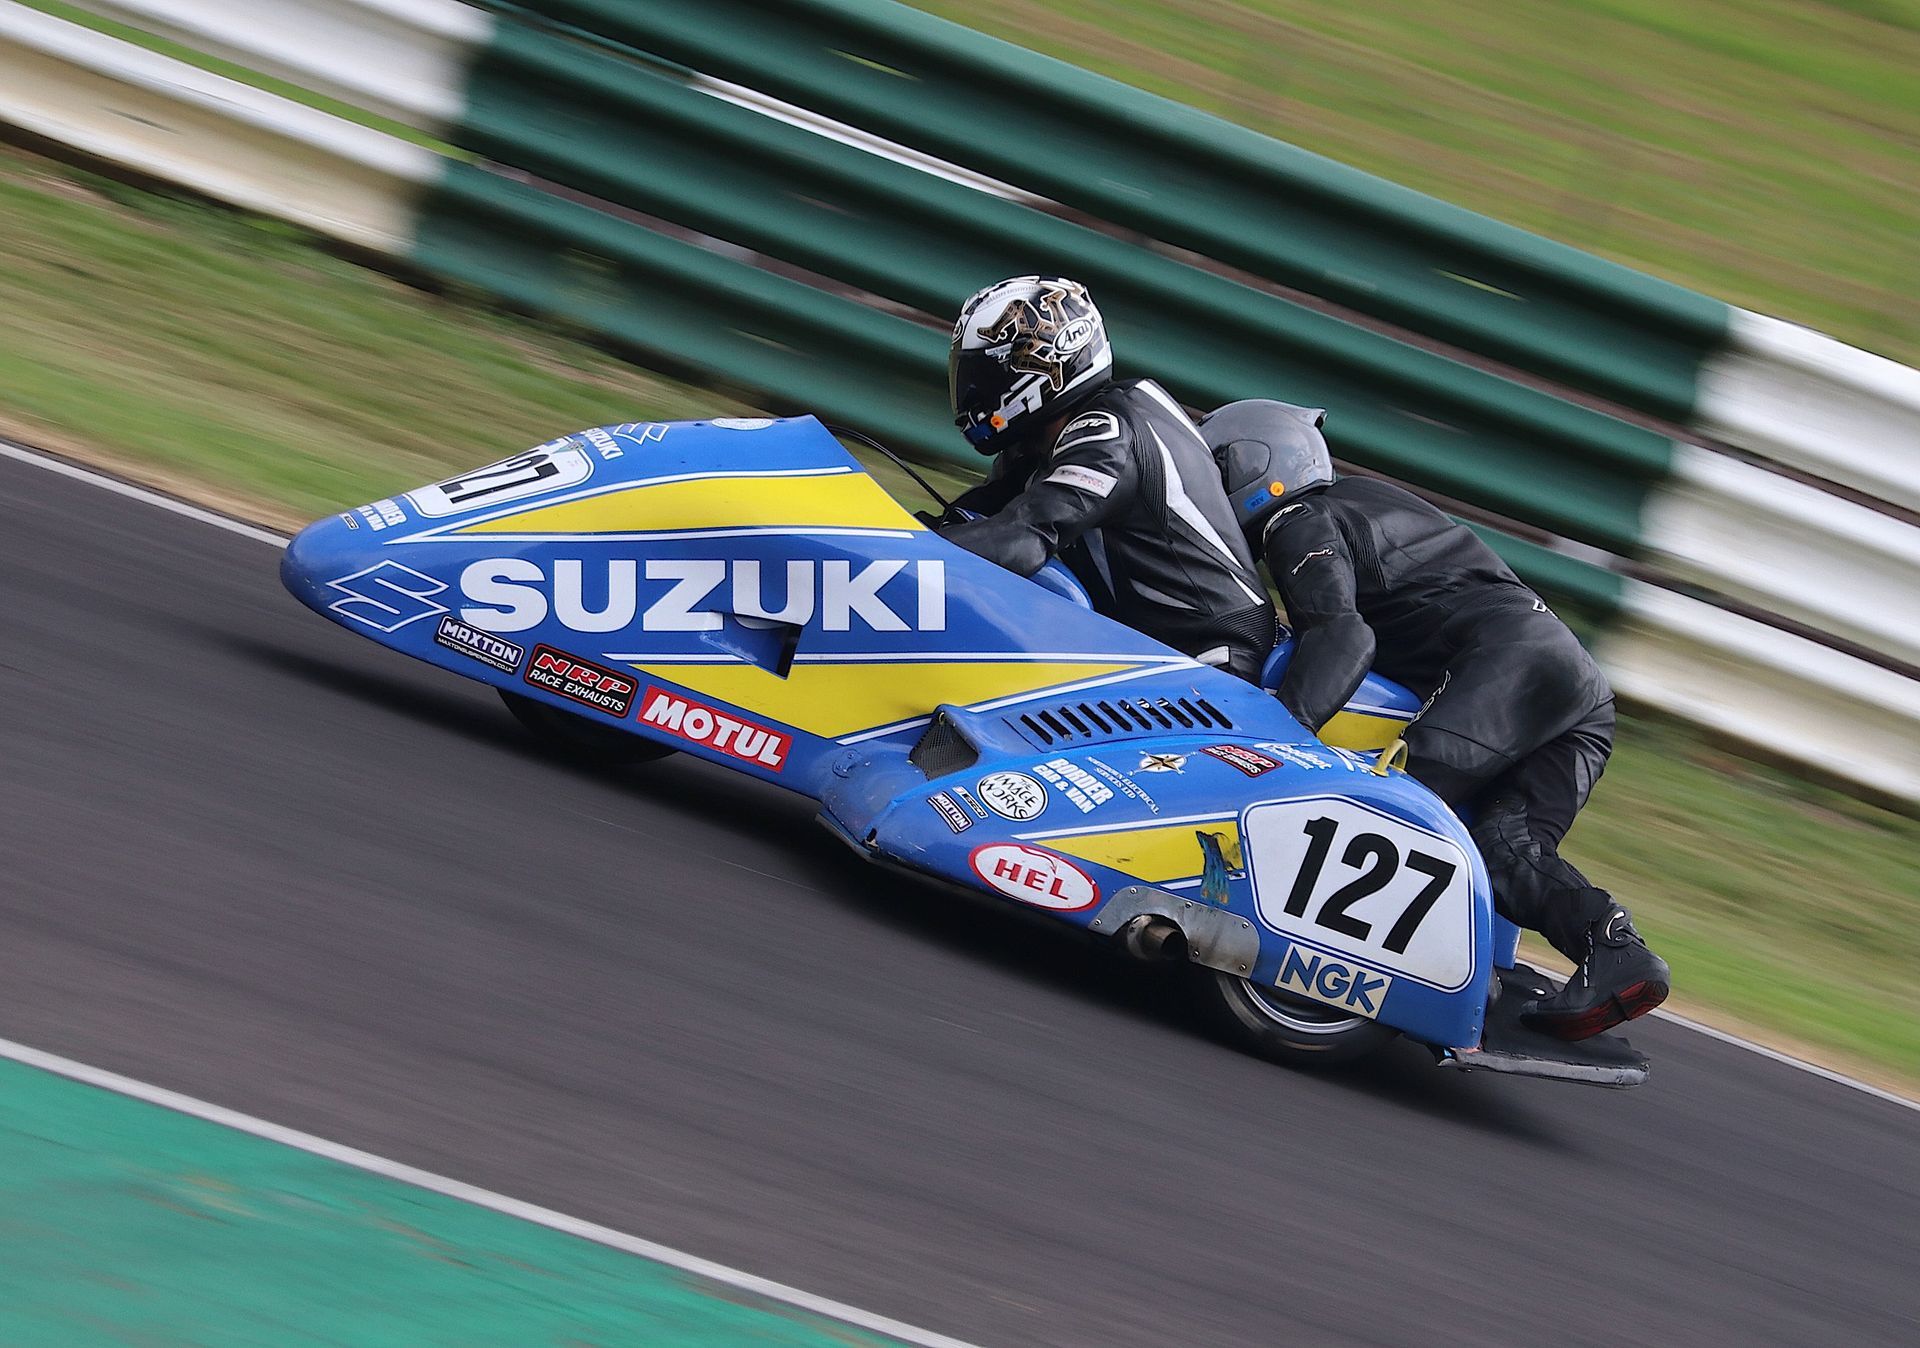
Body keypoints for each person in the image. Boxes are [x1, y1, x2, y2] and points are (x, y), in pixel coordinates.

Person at [1205, 399, 1670, 1041]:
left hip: (1509, 659)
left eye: (1212, 472)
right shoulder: (1358, 501)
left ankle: (1355, 968)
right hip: (1581, 691)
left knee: (1395, 803)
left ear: (1254, 464)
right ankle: (1615, 949)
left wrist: (1278, 744)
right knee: (1504, 849)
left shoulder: (1299, 518)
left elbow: (1342, 637)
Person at [939, 276, 1275, 680]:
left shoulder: (1109, 433)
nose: (972, 391)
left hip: (1209, 662)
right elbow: (969, 521)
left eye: (984, 376)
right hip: (1145, 653)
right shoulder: (1044, 440)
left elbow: (1023, 540)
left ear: (1041, 364)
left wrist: (900, 559)